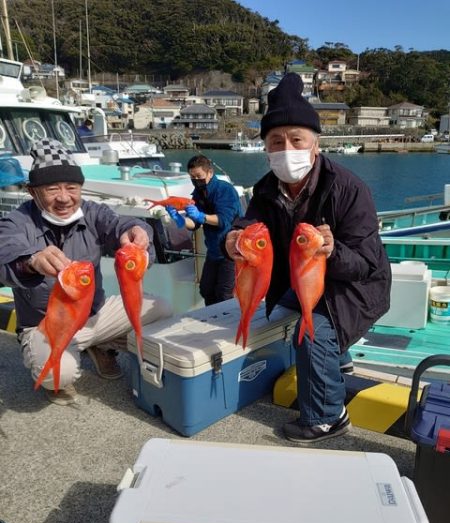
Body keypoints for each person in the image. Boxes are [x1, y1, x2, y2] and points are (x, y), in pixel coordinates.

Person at [225, 73, 392, 444]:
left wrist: (332, 252)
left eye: (296, 139)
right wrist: (232, 242)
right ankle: (338, 357)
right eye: (276, 141)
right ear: (266, 149)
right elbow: (246, 225)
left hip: (356, 283)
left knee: (311, 333)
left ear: (315, 145)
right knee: (288, 311)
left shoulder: (348, 188)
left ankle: (328, 417)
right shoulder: (265, 189)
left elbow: (365, 262)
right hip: (302, 276)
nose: (287, 148)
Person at [0, 138, 172, 405]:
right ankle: (64, 354)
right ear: (33, 192)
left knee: (160, 308)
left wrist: (137, 231)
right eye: (52, 188)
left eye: (72, 187)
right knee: (58, 376)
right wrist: (30, 262)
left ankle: (98, 344)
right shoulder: (16, 221)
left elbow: (118, 224)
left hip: (95, 313)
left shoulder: (91, 212)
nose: (64, 197)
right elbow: (4, 256)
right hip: (46, 324)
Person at [166, 154, 242, 306]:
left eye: (199, 176)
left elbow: (223, 220)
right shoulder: (197, 194)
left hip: (232, 252)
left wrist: (201, 215)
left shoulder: (225, 190)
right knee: (206, 289)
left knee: (224, 293)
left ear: (210, 173)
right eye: (192, 177)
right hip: (213, 251)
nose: (196, 180)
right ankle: (211, 319)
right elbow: (194, 224)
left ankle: (226, 325)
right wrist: (180, 220)